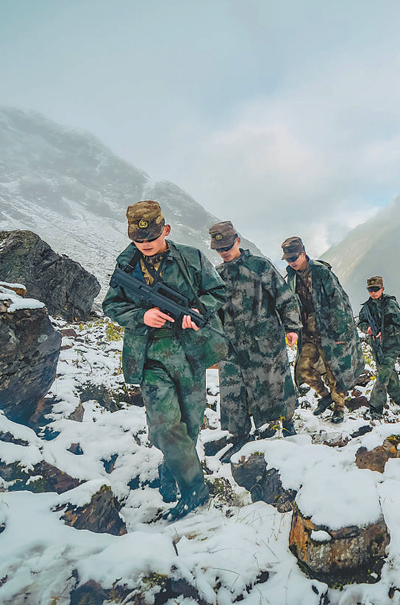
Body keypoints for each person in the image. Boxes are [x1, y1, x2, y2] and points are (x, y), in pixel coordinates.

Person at [103, 201, 227, 520]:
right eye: (138, 241)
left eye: (151, 239)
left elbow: (218, 292)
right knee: (165, 425)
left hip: (190, 355)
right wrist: (142, 314)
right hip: (150, 357)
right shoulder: (126, 264)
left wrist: (199, 311)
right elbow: (111, 305)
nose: (144, 246)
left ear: (166, 230)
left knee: (190, 426)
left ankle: (170, 468)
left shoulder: (191, 257)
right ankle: (195, 492)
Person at [209, 221, 302, 461]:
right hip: (232, 348)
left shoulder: (259, 266)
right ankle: (239, 438)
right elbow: (212, 314)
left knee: (273, 387)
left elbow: (285, 298)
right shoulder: (217, 276)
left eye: (227, 246)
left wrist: (292, 327)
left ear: (237, 240)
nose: (224, 252)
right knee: (234, 393)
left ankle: (283, 425)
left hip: (265, 343)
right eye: (219, 249)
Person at [281, 236, 364, 423]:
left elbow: (338, 302)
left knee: (334, 369)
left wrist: (341, 333)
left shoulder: (321, 272)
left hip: (329, 330)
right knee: (303, 368)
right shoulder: (292, 277)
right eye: (288, 259)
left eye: (294, 258)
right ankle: (325, 396)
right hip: (307, 331)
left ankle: (339, 407)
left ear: (303, 253)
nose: (292, 262)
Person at [358, 276, 400, 420]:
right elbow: (361, 322)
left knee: (382, 377)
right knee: (391, 376)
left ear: (382, 289)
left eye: (376, 289)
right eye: (371, 290)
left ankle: (376, 408)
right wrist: (367, 328)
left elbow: (397, 324)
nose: (374, 292)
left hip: (391, 346)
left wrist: (385, 331)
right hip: (376, 345)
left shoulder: (391, 304)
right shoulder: (366, 307)